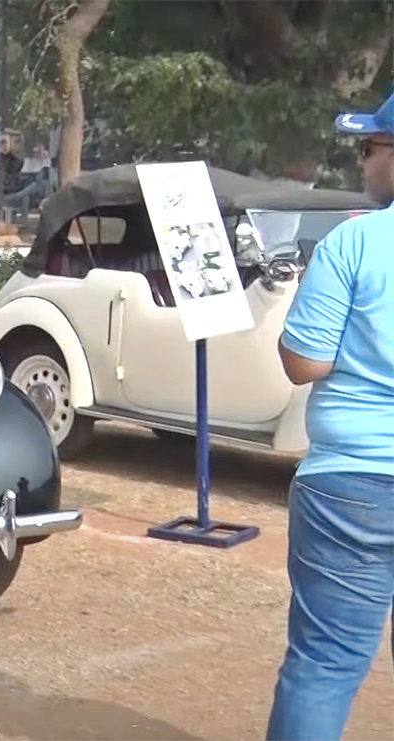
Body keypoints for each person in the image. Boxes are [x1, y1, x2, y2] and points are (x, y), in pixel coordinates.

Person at [266, 90, 394, 741]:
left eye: (369, 147)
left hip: (351, 485)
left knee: (325, 664)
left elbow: (302, 363)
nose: (362, 162)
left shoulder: (354, 241)